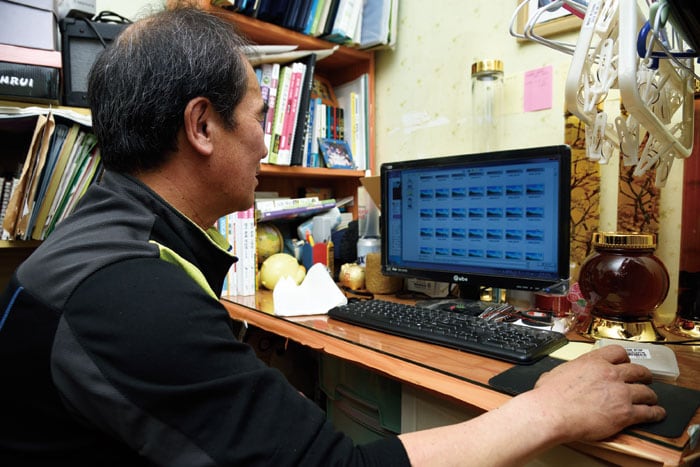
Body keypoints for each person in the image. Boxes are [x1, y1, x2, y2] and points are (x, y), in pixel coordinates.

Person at [0, 6, 665, 466]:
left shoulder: (104, 242)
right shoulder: (132, 292)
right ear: (202, 127)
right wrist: (547, 412)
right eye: (260, 115)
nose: (267, 138)